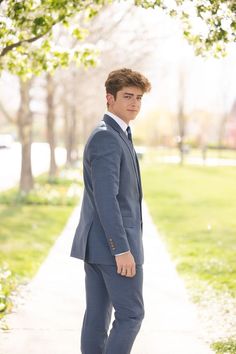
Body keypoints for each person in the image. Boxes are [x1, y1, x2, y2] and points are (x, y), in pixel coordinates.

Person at [71, 68, 151, 354]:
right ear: (109, 98)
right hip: (113, 248)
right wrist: (121, 249)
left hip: (97, 247)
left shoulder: (118, 134)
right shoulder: (107, 137)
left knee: (97, 317)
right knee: (131, 315)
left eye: (139, 98)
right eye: (127, 96)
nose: (134, 103)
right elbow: (107, 199)